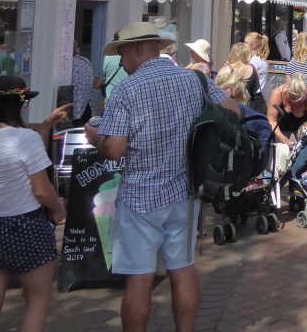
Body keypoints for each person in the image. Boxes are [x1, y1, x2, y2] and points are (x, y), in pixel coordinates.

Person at [83, 22, 239, 332]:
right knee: (182, 270)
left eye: (123, 53)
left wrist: (93, 138)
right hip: (184, 192)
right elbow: (233, 110)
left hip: (141, 196)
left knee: (139, 280)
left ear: (139, 49)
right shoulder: (194, 79)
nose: (122, 61)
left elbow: (114, 150)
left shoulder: (128, 90)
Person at [0, 75, 65, 332]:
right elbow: (42, 191)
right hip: (25, 225)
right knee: (37, 301)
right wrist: (58, 209)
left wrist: (46, 124)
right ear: (18, 106)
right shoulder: (24, 139)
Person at [267, 73, 307, 146]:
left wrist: (304, 137)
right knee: (280, 149)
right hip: (280, 127)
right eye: (293, 97)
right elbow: (271, 120)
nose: (296, 102)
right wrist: (280, 136)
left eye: (299, 99)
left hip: (301, 129)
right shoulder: (278, 93)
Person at [223, 42, 264, 114]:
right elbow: (257, 88)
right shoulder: (253, 69)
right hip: (249, 108)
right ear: (247, 54)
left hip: (230, 107)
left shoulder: (227, 69)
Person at [70, 40, 101, 126]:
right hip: (87, 106)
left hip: (73, 108)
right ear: (77, 49)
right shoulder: (86, 61)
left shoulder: (68, 63)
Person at [244, 32, 271, 106]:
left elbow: (249, 80)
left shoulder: (255, 61)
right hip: (258, 98)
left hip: (253, 99)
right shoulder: (259, 59)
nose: (244, 45)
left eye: (246, 43)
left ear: (253, 45)